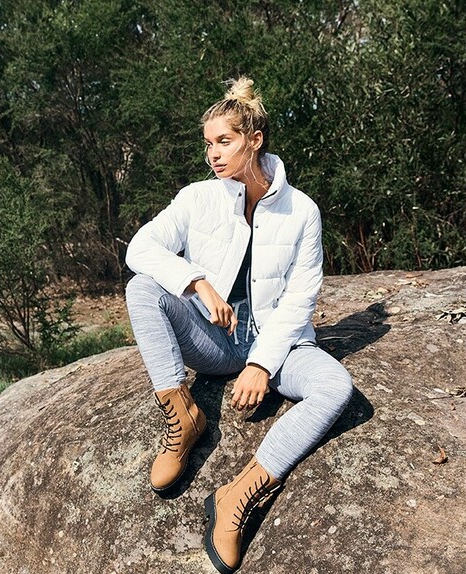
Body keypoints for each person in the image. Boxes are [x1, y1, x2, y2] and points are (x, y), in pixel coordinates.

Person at [124, 77, 353, 574]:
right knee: (142, 288)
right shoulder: (197, 198)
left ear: (255, 139)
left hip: (278, 339)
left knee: (335, 385)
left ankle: (237, 497)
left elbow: (300, 298)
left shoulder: (303, 211)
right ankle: (183, 419)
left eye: (223, 141)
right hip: (214, 334)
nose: (212, 154)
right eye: (207, 143)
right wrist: (197, 282)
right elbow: (139, 249)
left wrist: (262, 364)